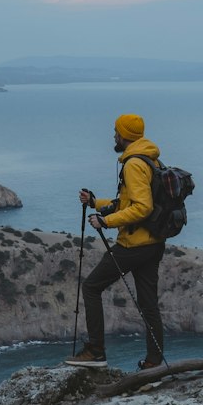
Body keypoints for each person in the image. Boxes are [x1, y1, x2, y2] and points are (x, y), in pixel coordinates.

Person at [65, 113, 166, 370]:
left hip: (134, 244)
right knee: (148, 304)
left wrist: (106, 222)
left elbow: (142, 207)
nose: (113, 136)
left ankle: (96, 352)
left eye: (116, 132)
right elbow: (127, 203)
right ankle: (154, 362)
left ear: (124, 135)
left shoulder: (133, 164)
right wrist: (95, 202)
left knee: (91, 287)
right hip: (153, 243)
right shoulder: (151, 159)